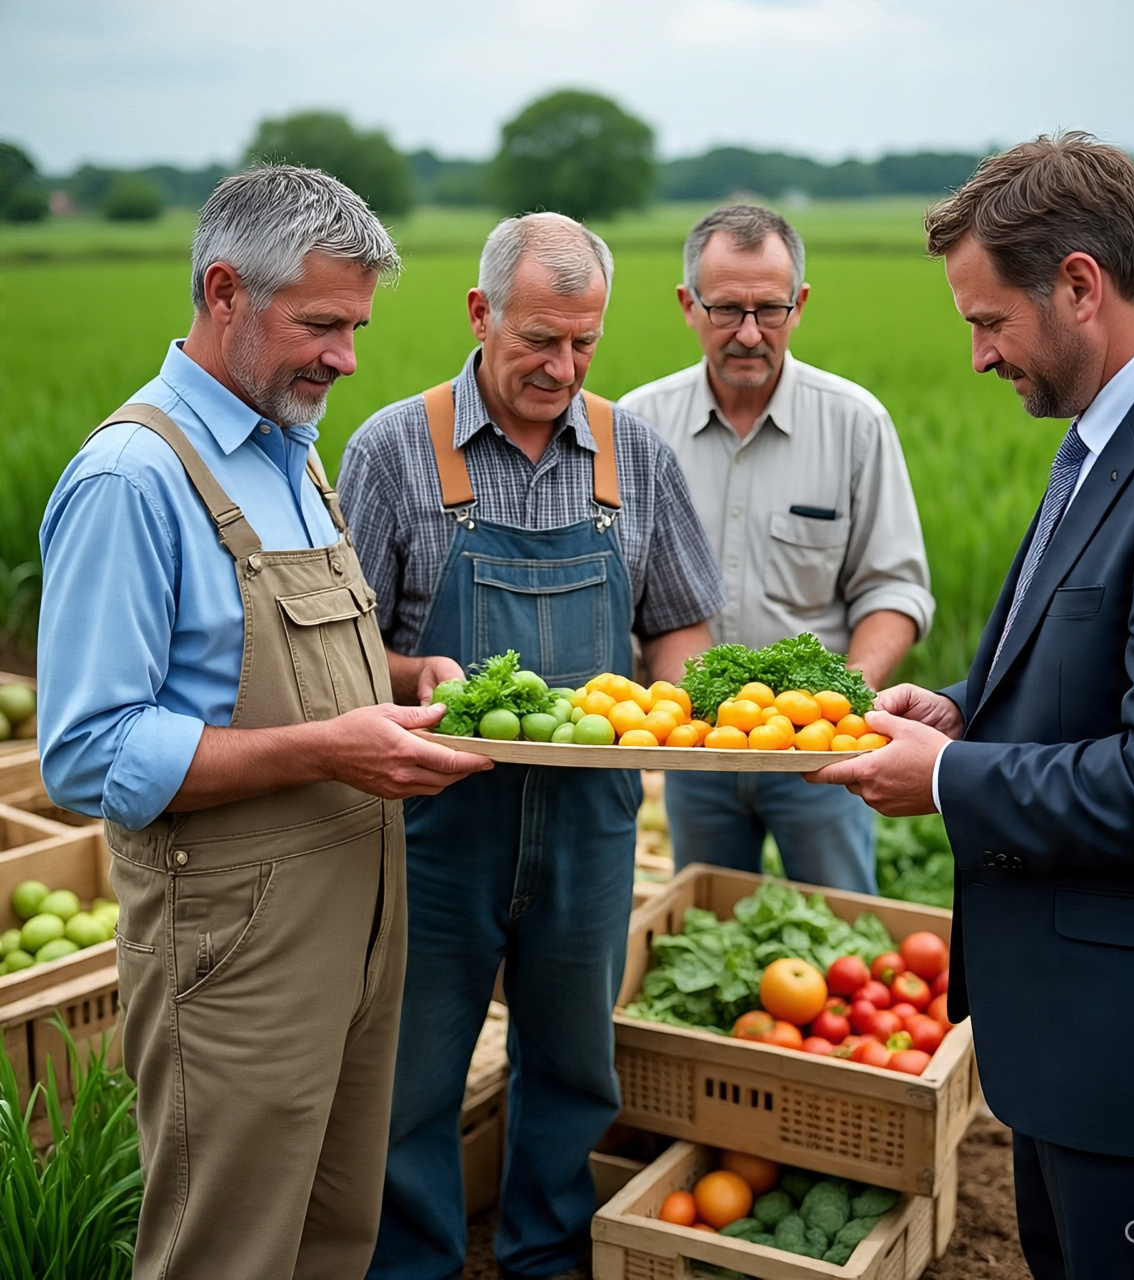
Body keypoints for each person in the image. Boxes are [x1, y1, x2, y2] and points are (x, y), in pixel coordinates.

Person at [814, 133, 1134, 1278]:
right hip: (1073, 1036)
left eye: (986, 321)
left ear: (1078, 284)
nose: (975, 355)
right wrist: (967, 712)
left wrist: (941, 779)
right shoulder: (1108, 436)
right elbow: (1094, 658)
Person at [37, 165, 491, 1280]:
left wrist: (395, 678)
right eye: (322, 323)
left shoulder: (289, 448)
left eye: (355, 325)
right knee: (227, 1252)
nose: (346, 355)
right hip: (233, 948)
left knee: (335, 1236)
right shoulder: (133, 478)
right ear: (226, 290)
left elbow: (263, 659)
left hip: (355, 920)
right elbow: (89, 748)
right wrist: (333, 748)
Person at [336, 211, 726, 1280]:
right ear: (480, 313)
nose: (562, 366)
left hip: (591, 828)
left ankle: (544, 1255)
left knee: (573, 1066)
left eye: (583, 343)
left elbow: (681, 620)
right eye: (538, 341)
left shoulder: (628, 451)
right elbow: (337, 651)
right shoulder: (390, 449)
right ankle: (410, 1260)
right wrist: (419, 677)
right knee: (411, 1075)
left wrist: (673, 707)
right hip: (435, 828)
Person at [619, 204, 934, 893]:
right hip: (695, 746)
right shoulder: (637, 425)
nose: (750, 333)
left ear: (801, 305)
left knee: (837, 927)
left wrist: (842, 701)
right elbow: (619, 588)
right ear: (687, 305)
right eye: (727, 310)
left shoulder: (854, 422)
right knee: (709, 929)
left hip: (817, 754)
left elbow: (895, 590)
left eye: (771, 309)